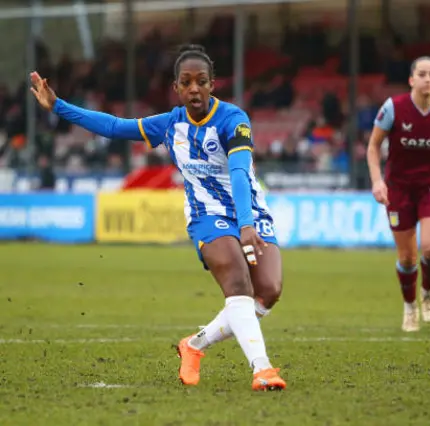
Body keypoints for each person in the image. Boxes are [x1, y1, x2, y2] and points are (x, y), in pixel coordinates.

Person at [29, 44, 286, 391]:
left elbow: (239, 172)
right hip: (206, 216)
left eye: (202, 81)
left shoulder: (233, 120)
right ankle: (263, 369)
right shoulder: (169, 124)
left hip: (249, 211)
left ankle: (193, 345)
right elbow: (114, 126)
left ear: (213, 85)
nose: (194, 88)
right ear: (176, 88)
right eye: (186, 82)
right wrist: (58, 107)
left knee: (267, 291)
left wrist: (247, 225)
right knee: (238, 283)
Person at [366, 56, 430, 332]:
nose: (428, 79)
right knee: (408, 258)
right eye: (422, 74)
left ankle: (427, 292)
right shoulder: (393, 108)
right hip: (398, 187)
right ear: (412, 79)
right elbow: (373, 145)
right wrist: (377, 181)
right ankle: (410, 305)